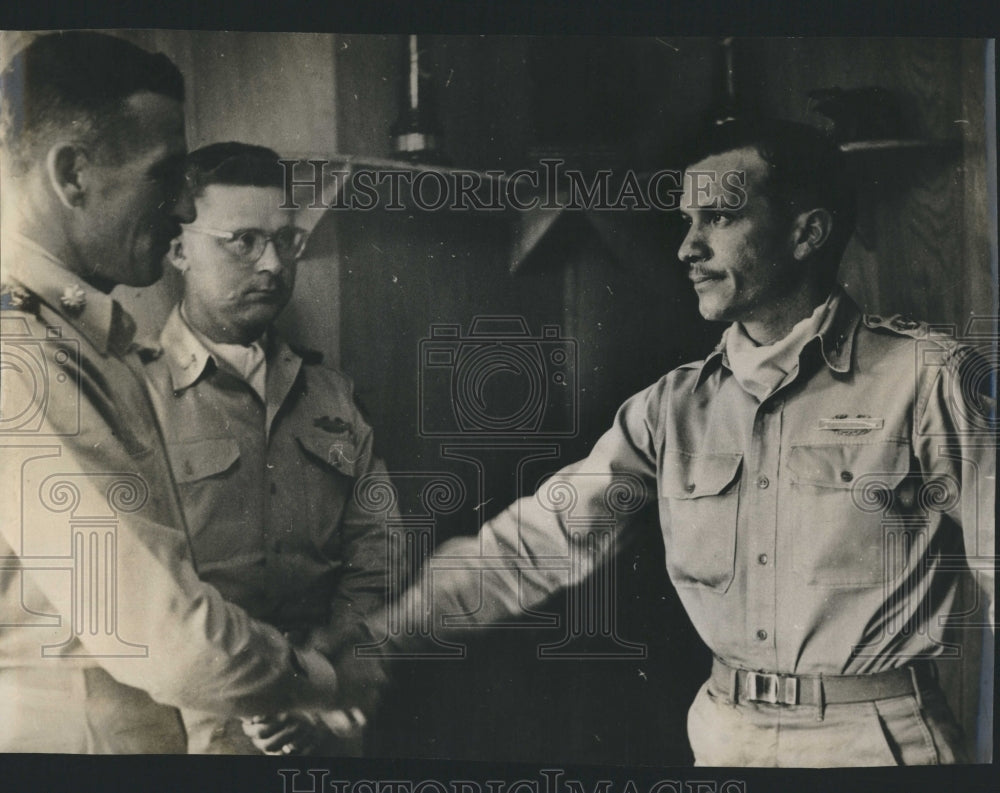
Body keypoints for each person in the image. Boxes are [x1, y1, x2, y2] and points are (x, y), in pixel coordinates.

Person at [342, 118, 995, 766]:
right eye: (687, 221)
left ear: (807, 233)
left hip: (873, 743)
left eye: (720, 218)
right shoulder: (670, 408)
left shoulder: (927, 380)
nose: (687, 247)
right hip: (725, 735)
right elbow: (532, 546)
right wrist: (379, 640)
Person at [0, 32, 347, 753]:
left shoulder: (81, 340)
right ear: (73, 175)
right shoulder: (24, 358)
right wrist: (314, 678)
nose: (185, 209)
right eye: (165, 176)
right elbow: (159, 631)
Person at [142, 141, 390, 755]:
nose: (274, 264)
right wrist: (276, 687)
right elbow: (147, 593)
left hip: (329, 720)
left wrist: (329, 671)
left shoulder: (332, 394)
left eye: (285, 240)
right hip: (198, 734)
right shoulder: (134, 396)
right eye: (243, 241)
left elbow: (378, 552)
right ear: (179, 250)